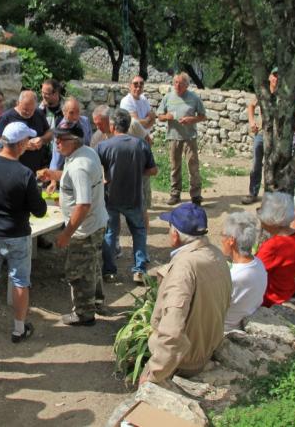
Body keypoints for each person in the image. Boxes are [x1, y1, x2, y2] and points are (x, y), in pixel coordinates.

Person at [139, 203, 231, 384]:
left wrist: (154, 372)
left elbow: (172, 331)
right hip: (207, 346)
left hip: (186, 361)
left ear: (175, 235)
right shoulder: (216, 254)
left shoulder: (183, 269)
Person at [0, 122, 47, 342]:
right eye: (27, 141)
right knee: (19, 281)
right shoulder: (24, 174)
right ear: (21, 144)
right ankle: (18, 329)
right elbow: (40, 210)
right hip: (17, 233)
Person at [38, 120, 108, 326]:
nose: (56, 142)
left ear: (75, 141)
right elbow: (74, 179)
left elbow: (83, 204)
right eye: (56, 138)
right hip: (96, 222)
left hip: (84, 229)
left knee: (78, 271)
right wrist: (53, 175)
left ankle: (84, 314)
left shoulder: (79, 166)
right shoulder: (85, 153)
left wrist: (66, 233)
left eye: (61, 139)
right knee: (93, 266)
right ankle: (96, 301)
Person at [96, 108, 157, 284]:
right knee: (138, 232)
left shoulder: (103, 146)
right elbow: (153, 170)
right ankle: (139, 270)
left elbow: (94, 169)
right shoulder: (141, 144)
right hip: (134, 197)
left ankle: (109, 271)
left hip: (111, 198)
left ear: (113, 125)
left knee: (110, 234)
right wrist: (138, 170)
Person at [156, 72, 207, 206]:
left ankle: (196, 196)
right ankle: (175, 194)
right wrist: (167, 117)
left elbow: (203, 116)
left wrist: (192, 119)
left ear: (187, 85)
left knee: (193, 166)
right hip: (174, 137)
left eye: (181, 83)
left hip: (190, 137)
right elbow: (159, 116)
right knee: (175, 166)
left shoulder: (194, 98)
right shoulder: (168, 97)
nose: (177, 86)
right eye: (176, 83)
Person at [256, 192, 295, 307]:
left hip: (270, 297)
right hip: (287, 291)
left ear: (272, 220)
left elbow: (253, 271)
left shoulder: (274, 246)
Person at [220, 211, 267, 331]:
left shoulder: (233, 277)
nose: (221, 240)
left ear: (231, 240)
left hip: (224, 330)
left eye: (222, 235)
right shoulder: (259, 264)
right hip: (243, 323)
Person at [241, 68, 279, 205]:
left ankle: (271, 195)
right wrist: (252, 122)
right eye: (274, 75)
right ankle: (253, 193)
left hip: (277, 136)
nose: (276, 78)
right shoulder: (263, 92)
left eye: (279, 76)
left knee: (274, 165)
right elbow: (251, 106)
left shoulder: (285, 94)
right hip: (261, 134)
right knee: (256, 164)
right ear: (270, 77)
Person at [0, 90, 52, 172]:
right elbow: (0, 143)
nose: (28, 113)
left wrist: (42, 140)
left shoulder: (39, 113)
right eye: (25, 109)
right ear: (18, 103)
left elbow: (49, 132)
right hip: (14, 169)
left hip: (38, 168)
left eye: (31, 110)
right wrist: (23, 146)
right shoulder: (6, 118)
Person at [49, 96, 92, 171]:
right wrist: (53, 177)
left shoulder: (85, 121)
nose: (75, 116)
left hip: (86, 162)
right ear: (64, 112)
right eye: (71, 113)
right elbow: (56, 158)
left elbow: (89, 143)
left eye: (78, 112)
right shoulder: (61, 130)